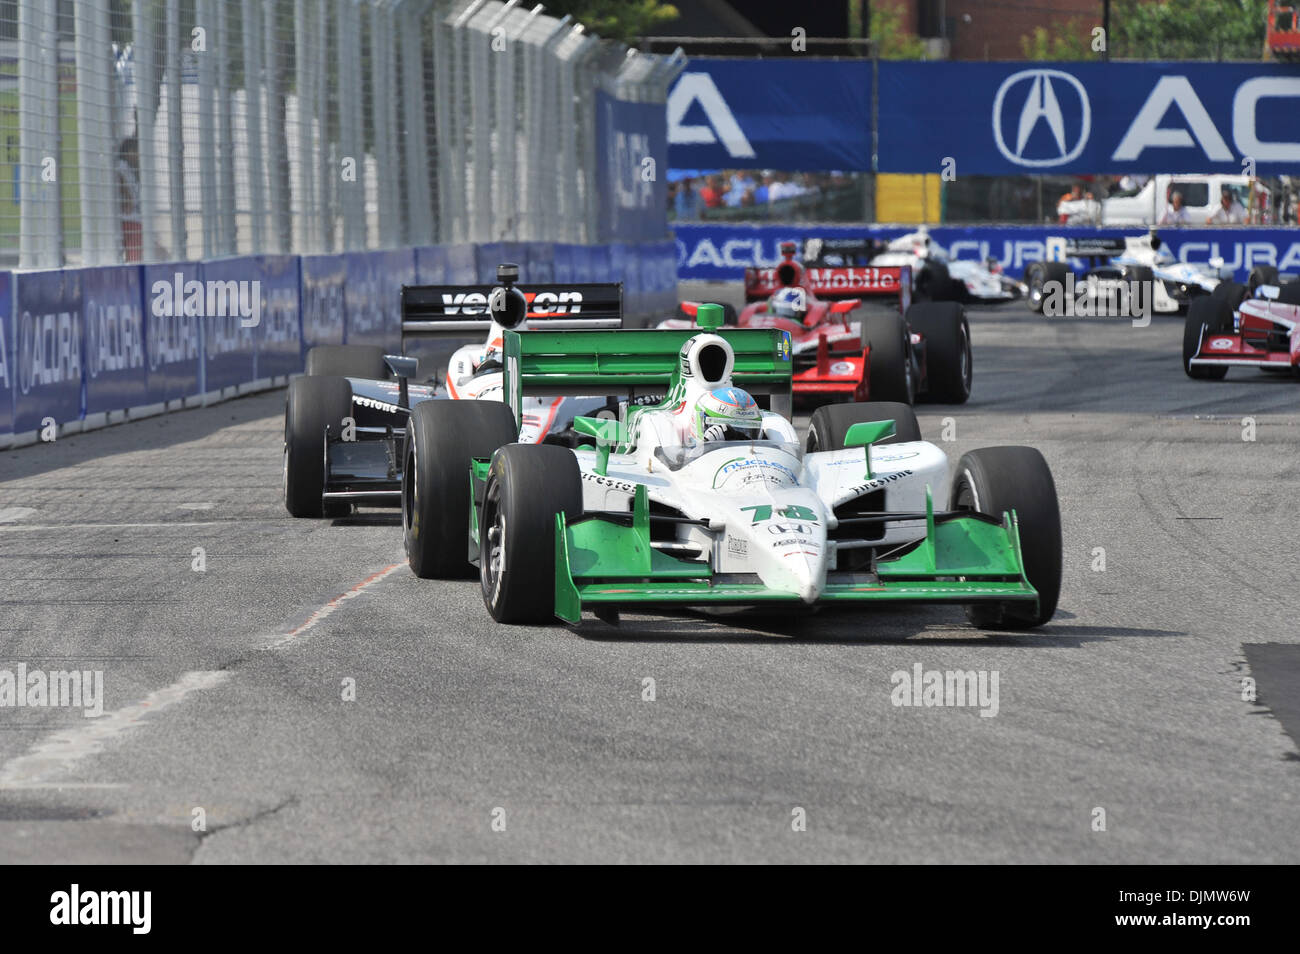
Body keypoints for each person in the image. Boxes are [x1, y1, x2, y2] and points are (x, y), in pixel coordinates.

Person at [689, 387, 763, 443]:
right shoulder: (682, 451)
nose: (735, 443)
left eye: (745, 431)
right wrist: (706, 443)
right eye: (723, 430)